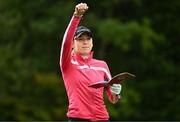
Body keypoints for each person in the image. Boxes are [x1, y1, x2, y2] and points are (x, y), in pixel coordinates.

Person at [60, 3, 121, 122]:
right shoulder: (68, 62)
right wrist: (76, 16)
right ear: (73, 44)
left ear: (92, 43)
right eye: (80, 39)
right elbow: (65, 42)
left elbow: (113, 99)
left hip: (102, 118)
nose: (85, 42)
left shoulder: (102, 65)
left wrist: (116, 93)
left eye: (88, 39)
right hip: (78, 118)